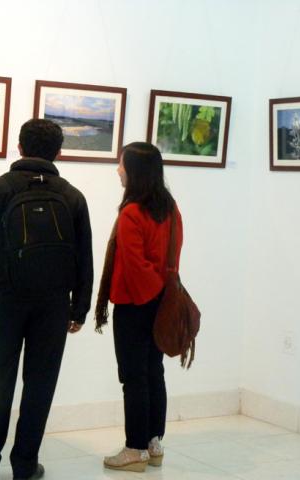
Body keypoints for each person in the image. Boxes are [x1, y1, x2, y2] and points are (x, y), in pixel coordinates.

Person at [0, 119, 93, 480]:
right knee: (40, 384)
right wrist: (79, 308)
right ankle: (26, 465)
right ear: (58, 152)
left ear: (18, 147)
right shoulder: (73, 196)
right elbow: (84, 258)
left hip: (4, 302)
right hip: (53, 306)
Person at [94, 142, 182, 473]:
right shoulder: (171, 208)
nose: (118, 170)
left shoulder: (132, 212)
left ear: (135, 172)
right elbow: (172, 254)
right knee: (152, 372)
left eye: (121, 165)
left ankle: (134, 449)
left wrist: (147, 298)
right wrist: (160, 296)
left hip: (136, 304)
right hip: (161, 302)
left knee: (133, 377)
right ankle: (153, 443)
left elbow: (134, 263)